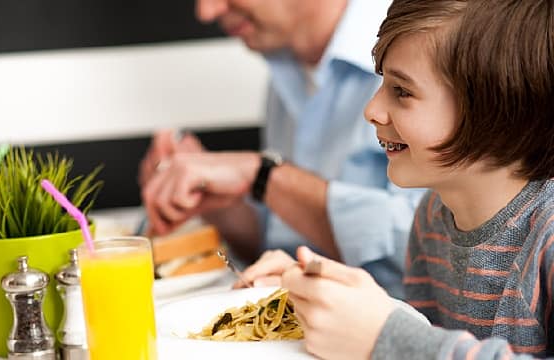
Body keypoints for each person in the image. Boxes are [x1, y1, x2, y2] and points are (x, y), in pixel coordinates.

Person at [244, 0, 554, 358]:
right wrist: (319, 291)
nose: (372, 110)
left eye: (402, 91)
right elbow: (421, 330)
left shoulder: (546, 235)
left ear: (500, 111)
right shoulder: (433, 216)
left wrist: (383, 338)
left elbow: (405, 344)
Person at [139, 0, 422, 299]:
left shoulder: (429, 43)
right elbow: (288, 243)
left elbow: (431, 250)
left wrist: (263, 176)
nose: (207, 11)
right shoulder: (285, 69)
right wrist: (221, 203)